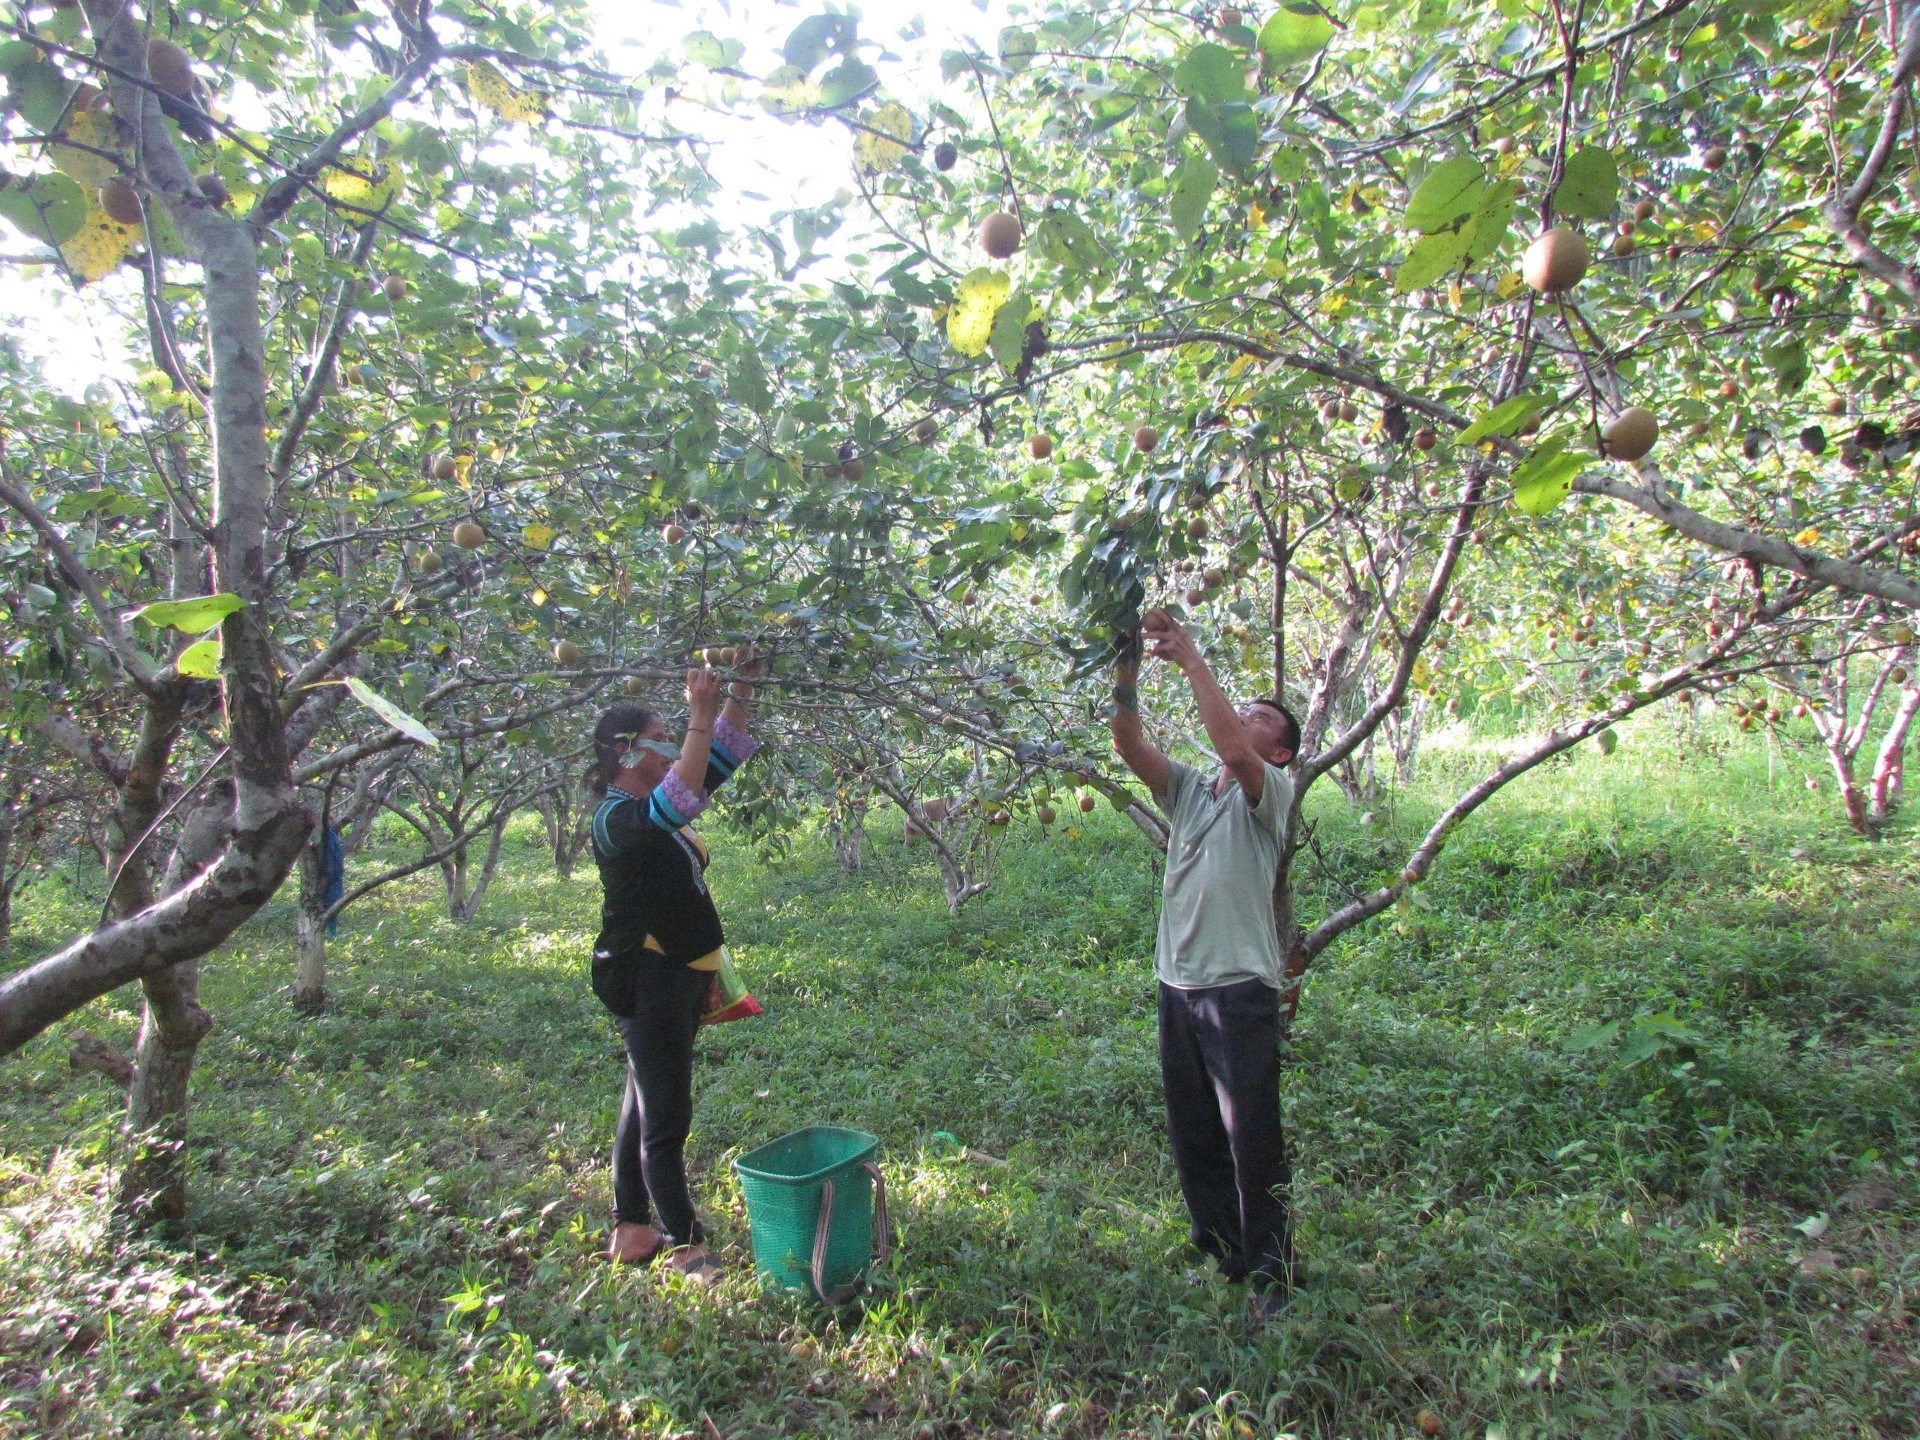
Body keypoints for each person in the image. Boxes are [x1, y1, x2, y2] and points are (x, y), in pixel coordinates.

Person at [1110, 607, 1303, 1318]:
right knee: (1194, 1132)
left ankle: (1273, 1276)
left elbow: (1234, 752)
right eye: (1244, 710)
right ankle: (1222, 1247)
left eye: (1258, 716)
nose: (1244, 717)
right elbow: (1129, 744)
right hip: (1178, 984)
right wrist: (1127, 662)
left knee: (1253, 1138)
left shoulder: (1268, 792)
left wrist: (1190, 658)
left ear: (1278, 753)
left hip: (1237, 989)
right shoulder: (1191, 790)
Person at [585, 654, 762, 1281]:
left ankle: (632, 1227)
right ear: (629, 752)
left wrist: (738, 687)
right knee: (666, 1114)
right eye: (661, 739)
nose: (672, 748)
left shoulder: (653, 795)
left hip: (677, 973)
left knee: (641, 1099)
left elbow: (724, 753)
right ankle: (685, 1243)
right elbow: (681, 801)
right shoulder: (616, 818)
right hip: (647, 978)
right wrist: (698, 713)